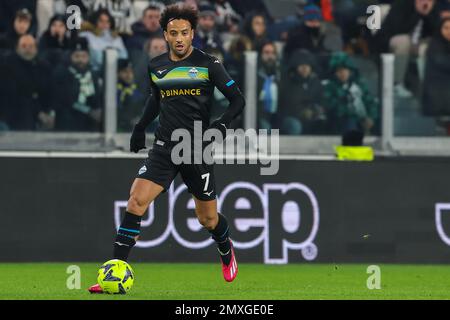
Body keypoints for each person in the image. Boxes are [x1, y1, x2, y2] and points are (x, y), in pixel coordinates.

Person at [88, 3, 245, 294]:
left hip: (196, 148)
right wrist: (139, 127)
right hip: (164, 146)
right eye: (173, 33)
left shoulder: (209, 64)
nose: (179, 38)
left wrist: (221, 125)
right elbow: (156, 99)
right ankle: (114, 272)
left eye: (184, 33)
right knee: (136, 201)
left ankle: (224, 245)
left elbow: (238, 100)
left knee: (207, 219)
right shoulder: (157, 65)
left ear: (193, 33)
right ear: (165, 34)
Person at [373, 0, 440, 98]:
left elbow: (437, 31)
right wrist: (417, 13)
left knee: (433, 44)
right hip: (392, 39)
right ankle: (397, 83)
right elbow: (398, 29)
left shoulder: (432, 7)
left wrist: (427, 15)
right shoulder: (402, 4)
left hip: (418, 42)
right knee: (404, 41)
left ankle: (429, 86)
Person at [1, 35, 54, 131]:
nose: (27, 49)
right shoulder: (8, 66)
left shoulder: (44, 67)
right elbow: (17, 94)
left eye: (31, 46)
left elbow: (49, 92)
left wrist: (49, 113)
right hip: (14, 113)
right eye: (24, 46)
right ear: (17, 49)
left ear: (36, 49)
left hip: (39, 112)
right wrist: (39, 113)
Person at [52, 38, 103, 131]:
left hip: (88, 124)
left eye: (84, 56)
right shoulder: (62, 72)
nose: (80, 60)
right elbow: (66, 99)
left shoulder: (93, 74)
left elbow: (96, 98)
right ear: (71, 56)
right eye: (77, 56)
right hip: (67, 122)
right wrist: (88, 111)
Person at [324, 52, 379, 135]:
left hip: (364, 120)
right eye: (338, 71)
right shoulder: (330, 87)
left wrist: (371, 117)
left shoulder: (359, 85)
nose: (342, 73)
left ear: (350, 70)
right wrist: (360, 118)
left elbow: (370, 102)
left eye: (344, 70)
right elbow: (332, 107)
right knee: (351, 123)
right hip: (341, 122)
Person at [279, 49, 326, 135]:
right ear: (295, 66)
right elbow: (287, 105)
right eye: (301, 65)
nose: (305, 68)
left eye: (307, 65)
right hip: (290, 118)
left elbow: (321, 102)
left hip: (311, 117)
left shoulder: (315, 83)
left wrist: (314, 111)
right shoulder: (288, 82)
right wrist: (302, 112)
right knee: (295, 125)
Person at [422, 17, 450, 134]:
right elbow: (441, 64)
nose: (449, 31)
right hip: (437, 95)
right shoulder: (435, 46)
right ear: (440, 29)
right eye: (446, 28)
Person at [116, 59, 146, 132]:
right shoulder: (114, 90)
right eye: (125, 72)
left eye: (131, 72)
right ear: (118, 73)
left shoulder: (135, 89)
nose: (129, 75)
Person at [256, 41, 280, 130]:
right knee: (266, 128)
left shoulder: (281, 73)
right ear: (261, 54)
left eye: (272, 53)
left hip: (278, 114)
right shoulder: (253, 73)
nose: (270, 56)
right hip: (259, 114)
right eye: (266, 53)